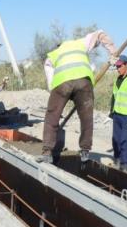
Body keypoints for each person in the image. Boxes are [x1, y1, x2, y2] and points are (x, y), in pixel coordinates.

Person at [40, 30, 118, 163]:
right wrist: (113, 52)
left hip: (62, 83)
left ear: (59, 46)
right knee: (86, 117)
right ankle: (85, 151)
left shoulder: (54, 53)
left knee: (52, 116)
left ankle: (47, 152)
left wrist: (52, 89)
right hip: (84, 82)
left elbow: (48, 68)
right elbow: (100, 34)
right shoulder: (80, 43)